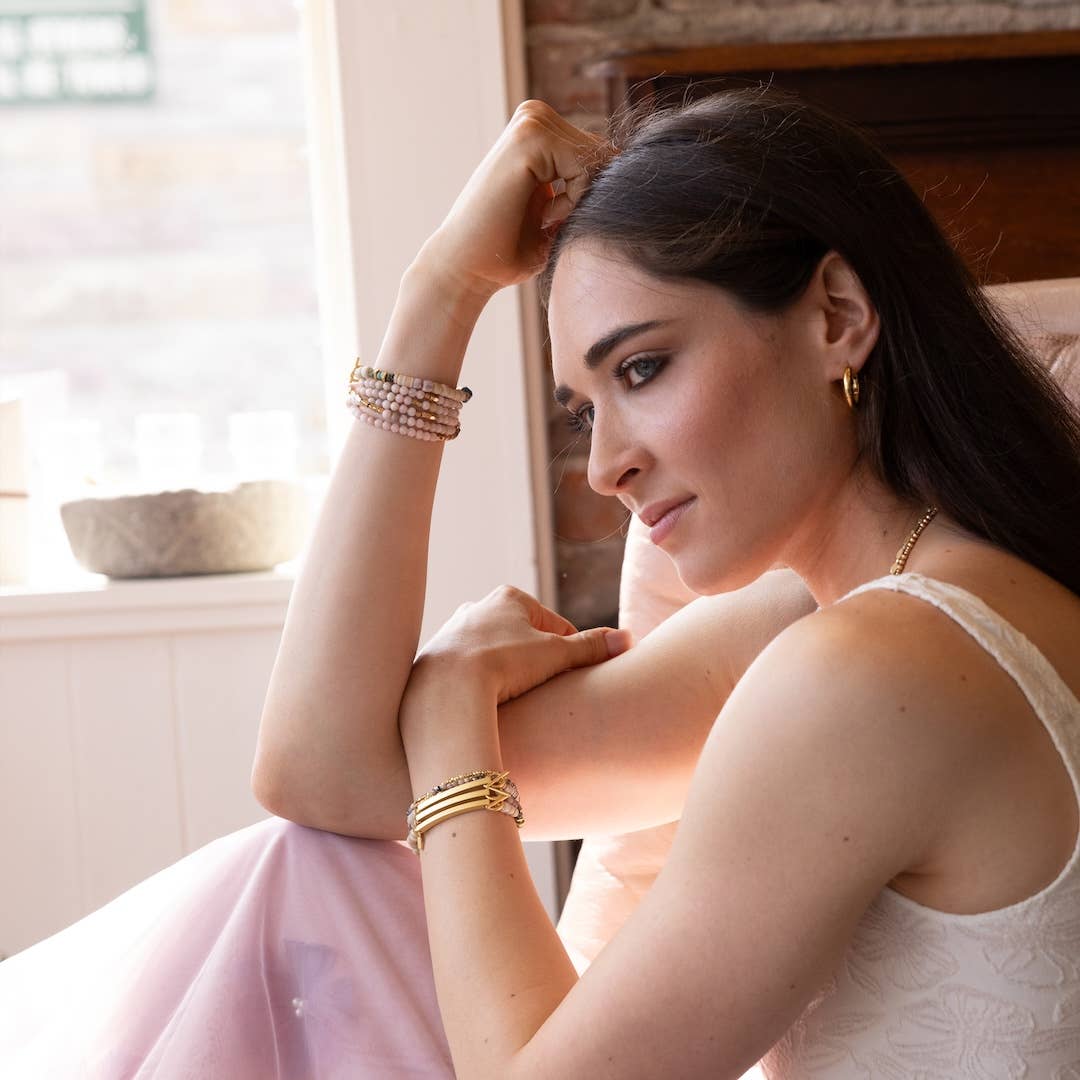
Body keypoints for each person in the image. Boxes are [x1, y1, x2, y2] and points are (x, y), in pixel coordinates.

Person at [3, 86, 1080, 1078]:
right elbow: (322, 774)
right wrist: (438, 291)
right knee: (293, 870)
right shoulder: (861, 614)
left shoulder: (878, 669)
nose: (605, 465)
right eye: (584, 409)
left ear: (836, 315)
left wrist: (452, 712)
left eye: (643, 368)